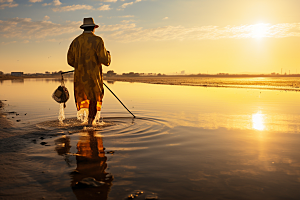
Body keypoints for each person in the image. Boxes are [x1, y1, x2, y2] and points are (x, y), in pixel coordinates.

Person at [67, 17, 111, 125]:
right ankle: (90, 123)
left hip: (80, 76)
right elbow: (105, 60)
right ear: (94, 28)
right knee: (94, 98)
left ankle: (88, 121)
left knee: (85, 96)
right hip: (93, 76)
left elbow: (70, 60)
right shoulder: (97, 40)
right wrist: (108, 55)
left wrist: (80, 66)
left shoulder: (76, 41)